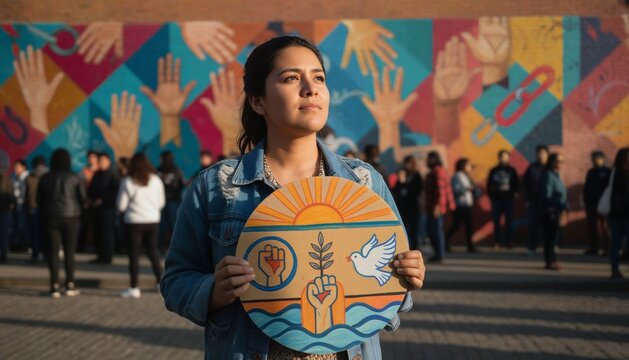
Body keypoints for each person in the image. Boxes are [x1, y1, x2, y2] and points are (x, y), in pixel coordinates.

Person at [160, 36, 425, 359]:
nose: (310, 88)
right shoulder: (216, 186)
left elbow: (390, 292)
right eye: (291, 78)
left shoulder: (365, 183)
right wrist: (214, 291)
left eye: (319, 78)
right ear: (258, 101)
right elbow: (176, 281)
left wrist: (407, 276)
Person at [37, 149, 86, 298]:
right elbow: (82, 197)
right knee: (69, 252)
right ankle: (70, 284)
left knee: (53, 252)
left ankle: (54, 286)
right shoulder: (74, 176)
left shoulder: (46, 177)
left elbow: (39, 199)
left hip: (51, 217)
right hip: (71, 217)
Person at [117, 153, 165, 298]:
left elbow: (121, 205)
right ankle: (160, 283)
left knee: (134, 255)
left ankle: (134, 287)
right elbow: (161, 202)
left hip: (134, 221)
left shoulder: (128, 181)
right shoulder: (156, 180)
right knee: (153, 252)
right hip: (153, 220)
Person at [87, 152, 119, 264]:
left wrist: (103, 200)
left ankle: (107, 256)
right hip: (96, 209)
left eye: (103, 161)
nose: (101, 163)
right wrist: (91, 199)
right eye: (99, 161)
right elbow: (91, 189)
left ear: (108, 161)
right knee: (97, 233)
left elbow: (115, 192)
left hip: (107, 209)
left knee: (107, 233)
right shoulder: (97, 174)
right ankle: (100, 255)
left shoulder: (113, 174)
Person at [425, 151, 455, 262]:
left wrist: (437, 206)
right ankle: (438, 253)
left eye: (428, 159)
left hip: (435, 208)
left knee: (435, 231)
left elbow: (441, 191)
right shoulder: (436, 171)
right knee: (432, 230)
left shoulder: (438, 171)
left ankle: (439, 254)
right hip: (432, 207)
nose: (426, 162)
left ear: (433, 159)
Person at [487, 150, 519, 248]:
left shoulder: (512, 170)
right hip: (496, 200)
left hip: (508, 200)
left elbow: (517, 184)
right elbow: (489, 185)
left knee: (508, 221)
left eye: (505, 156)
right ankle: (497, 242)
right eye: (501, 156)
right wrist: (492, 196)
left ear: (508, 158)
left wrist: (514, 193)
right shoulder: (493, 170)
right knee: (496, 222)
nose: (503, 158)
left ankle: (508, 242)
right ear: (498, 158)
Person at [583, 151, 612, 256]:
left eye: (597, 158)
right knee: (591, 227)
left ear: (603, 159)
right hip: (591, 204)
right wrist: (585, 200)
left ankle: (607, 249)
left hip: (603, 205)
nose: (595, 160)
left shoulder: (608, 172)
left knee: (605, 228)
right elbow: (586, 187)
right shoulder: (590, 172)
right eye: (593, 158)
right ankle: (593, 248)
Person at [446, 158, 477, 253]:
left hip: (467, 205)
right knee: (456, 225)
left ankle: (470, 245)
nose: (470, 167)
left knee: (469, 226)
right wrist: (468, 188)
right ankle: (445, 241)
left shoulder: (466, 176)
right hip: (460, 205)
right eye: (468, 165)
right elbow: (456, 190)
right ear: (463, 166)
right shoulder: (458, 176)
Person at [157, 151, 185, 253]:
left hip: (173, 201)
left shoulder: (175, 170)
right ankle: (163, 246)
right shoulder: (159, 170)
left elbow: (181, 184)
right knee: (163, 226)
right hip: (163, 201)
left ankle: (172, 246)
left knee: (172, 225)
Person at [392, 155, 423, 250]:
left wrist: (405, 184)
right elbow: (396, 190)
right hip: (403, 206)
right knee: (404, 229)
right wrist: (401, 182)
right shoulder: (402, 175)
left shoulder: (417, 176)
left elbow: (418, 190)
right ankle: (406, 248)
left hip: (413, 206)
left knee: (414, 229)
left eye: (408, 163)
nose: (406, 165)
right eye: (405, 163)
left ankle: (415, 248)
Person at [523, 145, 549, 255]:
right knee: (533, 225)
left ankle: (549, 247)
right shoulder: (532, 167)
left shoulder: (551, 167)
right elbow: (525, 184)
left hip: (548, 201)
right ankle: (531, 248)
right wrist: (527, 199)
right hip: (534, 201)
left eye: (542, 153)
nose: (540, 155)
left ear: (547, 154)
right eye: (538, 153)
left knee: (548, 226)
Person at [608, 147, 629, 279]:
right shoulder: (621, 174)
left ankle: (614, 269)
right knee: (616, 244)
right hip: (624, 215)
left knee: (615, 244)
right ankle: (615, 269)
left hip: (614, 214)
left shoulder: (613, 173)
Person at [25, 156, 48, 263]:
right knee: (46, 232)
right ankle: (46, 254)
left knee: (34, 233)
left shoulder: (30, 176)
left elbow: (27, 194)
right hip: (46, 208)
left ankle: (35, 255)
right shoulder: (49, 175)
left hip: (33, 206)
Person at [77, 150, 100, 253]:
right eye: (89, 157)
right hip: (86, 202)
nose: (91, 159)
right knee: (84, 224)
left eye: (93, 157)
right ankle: (81, 246)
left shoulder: (101, 170)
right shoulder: (84, 171)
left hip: (98, 202)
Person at [10, 159, 29, 251]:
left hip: (23, 204)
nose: (15, 169)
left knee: (22, 225)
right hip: (14, 204)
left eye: (17, 167)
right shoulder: (13, 177)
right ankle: (15, 244)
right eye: (15, 167)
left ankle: (23, 245)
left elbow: (25, 192)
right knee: (14, 225)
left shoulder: (27, 177)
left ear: (23, 167)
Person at [0, 165, 14, 264]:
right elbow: (11, 193)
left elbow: (11, 193)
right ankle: (4, 254)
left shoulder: (6, 178)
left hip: (5, 209)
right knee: (3, 233)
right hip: (5, 209)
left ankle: (4, 254)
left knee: (3, 233)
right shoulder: (7, 178)